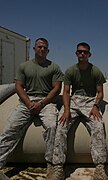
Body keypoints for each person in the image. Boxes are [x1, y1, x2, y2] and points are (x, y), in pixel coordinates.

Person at [0, 38, 63, 179]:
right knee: (10, 129)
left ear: (48, 51)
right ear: (34, 49)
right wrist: (29, 103)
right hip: (26, 102)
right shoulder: (24, 66)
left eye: (45, 48)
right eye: (39, 47)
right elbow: (18, 86)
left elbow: (57, 88)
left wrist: (41, 103)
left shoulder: (54, 67)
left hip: (46, 103)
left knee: (52, 126)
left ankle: (51, 164)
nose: (42, 49)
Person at [51, 42, 108, 180]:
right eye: (80, 52)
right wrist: (66, 110)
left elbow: (100, 93)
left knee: (98, 127)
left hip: (90, 101)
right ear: (76, 54)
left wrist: (96, 106)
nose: (82, 54)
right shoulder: (71, 71)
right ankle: (58, 167)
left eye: (85, 52)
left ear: (89, 54)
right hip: (74, 100)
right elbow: (65, 92)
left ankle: (100, 168)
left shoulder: (95, 71)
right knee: (61, 127)